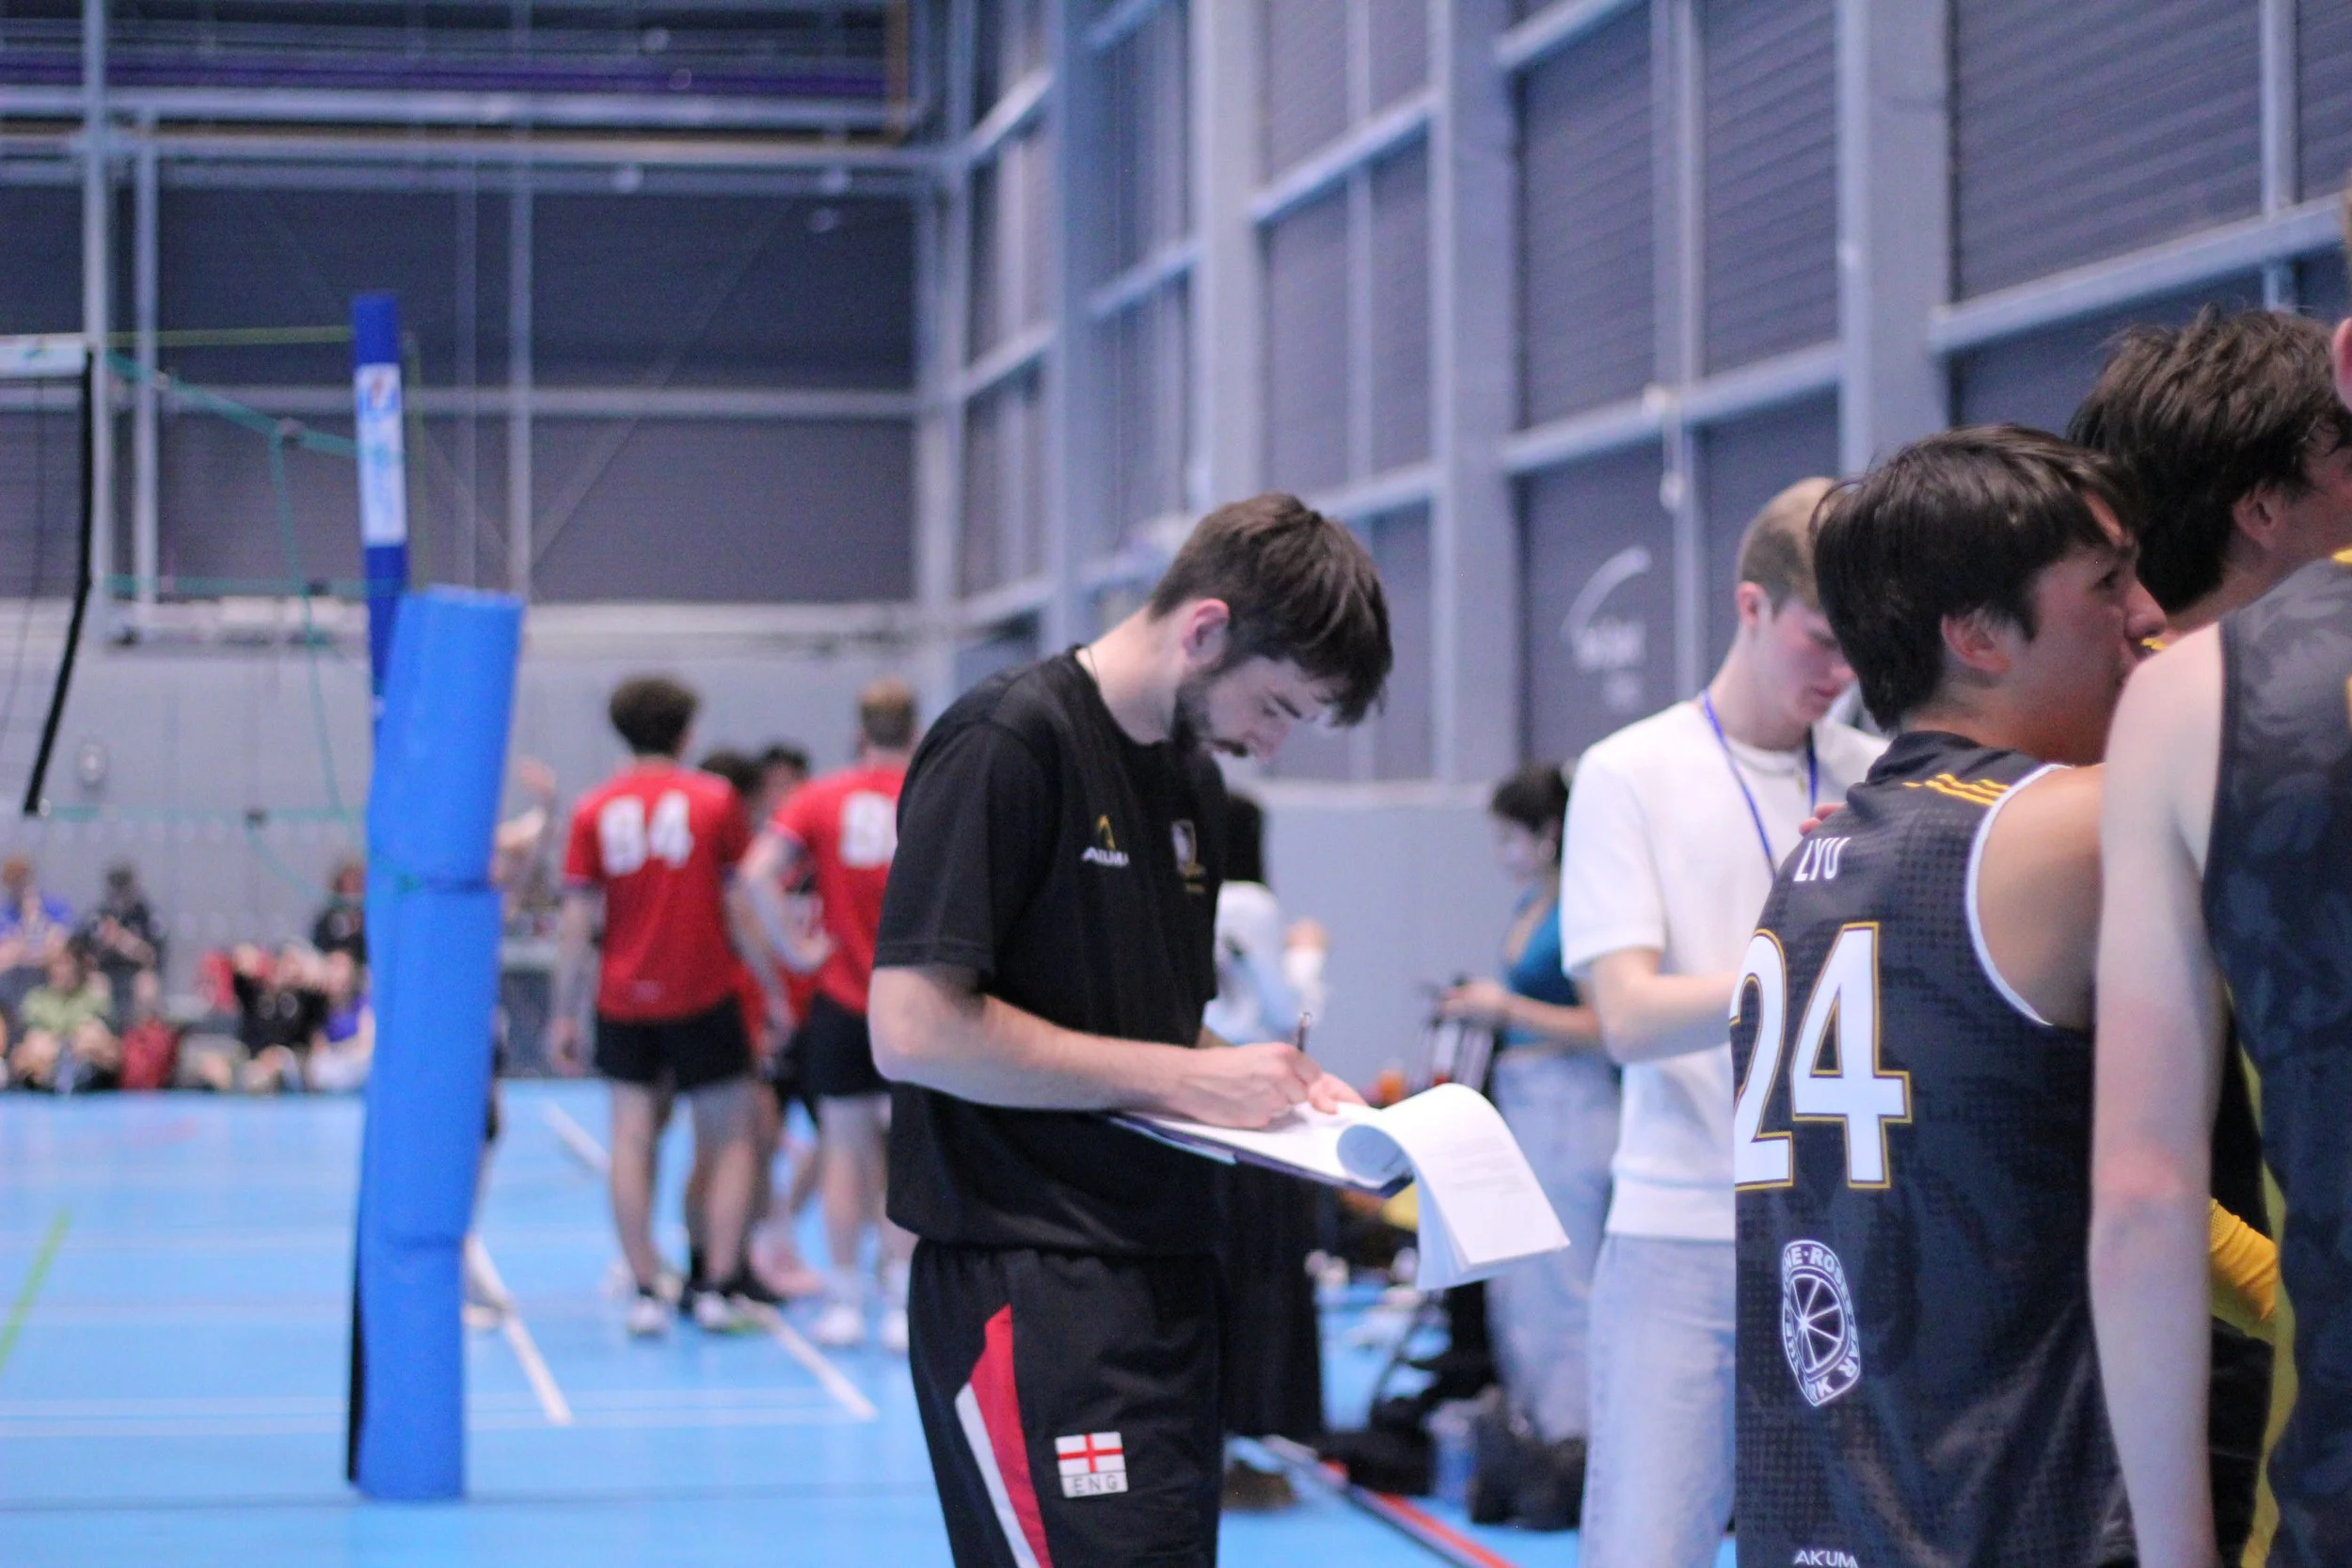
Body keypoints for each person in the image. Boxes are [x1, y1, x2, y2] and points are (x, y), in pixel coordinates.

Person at [867, 493, 1391, 1566]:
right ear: (1204, 630)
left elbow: (1154, 1033)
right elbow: (913, 1026)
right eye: (1279, 705)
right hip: (1030, 1281)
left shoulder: (1191, 779)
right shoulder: (1010, 739)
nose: (1275, 742)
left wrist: (1274, 1083)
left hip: (1161, 1274)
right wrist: (1185, 1074)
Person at [1730, 427, 2163, 1562]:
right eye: (2110, 584)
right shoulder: (2066, 826)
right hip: (2005, 1508)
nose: (2150, 618)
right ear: (1972, 633)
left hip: (1819, 1506)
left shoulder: (1815, 862)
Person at [1554, 477, 1883, 1567]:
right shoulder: (1629, 772)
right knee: (1647, 1546)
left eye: (1859, 648)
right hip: (1681, 1225)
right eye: (1821, 639)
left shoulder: (1876, 777)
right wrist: (1787, 942)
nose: (1839, 676)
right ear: (1751, 605)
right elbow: (1628, 1017)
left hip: (1850, 1226)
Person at [2070, 304, 2352, 1560]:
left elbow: (2139, 1186)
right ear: (2264, 499)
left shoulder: (2170, 725)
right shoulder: (2144, 741)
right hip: (2236, 1379)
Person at [551, 674, 772, 1338]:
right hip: (704, 992)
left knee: (631, 1136)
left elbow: (575, 921)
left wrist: (564, 1011)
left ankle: (646, 1289)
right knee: (731, 1139)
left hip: (623, 998)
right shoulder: (715, 800)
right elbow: (740, 908)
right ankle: (715, 1288)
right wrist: (778, 990)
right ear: (685, 733)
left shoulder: (593, 808)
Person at [1438, 761, 1611, 1522]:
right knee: (1519, 1289)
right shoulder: (1530, 902)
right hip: (1524, 1099)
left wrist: (1505, 1004)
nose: (1501, 850)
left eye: (1512, 835)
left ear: (1548, 834)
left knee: (1566, 1288)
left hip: (1577, 1104)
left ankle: (1576, 1446)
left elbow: (1607, 1030)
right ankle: (1534, 1431)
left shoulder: (1590, 910)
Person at [744, 679, 920, 1352]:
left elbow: (758, 872)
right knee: (906, 1153)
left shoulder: (821, 798)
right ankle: (903, 1298)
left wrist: (795, 947)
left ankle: (846, 1297)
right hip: (917, 1006)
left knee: (844, 1152)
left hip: (844, 998)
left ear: (859, 731)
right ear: (914, 729)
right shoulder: (933, 788)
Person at [1204, 793, 1330, 1513]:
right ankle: (1256, 1436)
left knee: (1215, 1278)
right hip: (1259, 1119)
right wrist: (1310, 956)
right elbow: (1289, 1015)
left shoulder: (1183, 896)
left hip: (1200, 1119)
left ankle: (1221, 1436)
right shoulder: (1249, 902)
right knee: (1267, 1280)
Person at [9, 940, 119, 1092]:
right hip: (45, 1065)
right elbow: (22, 1052)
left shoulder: (94, 996)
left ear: (77, 966)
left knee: (94, 1034)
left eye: (68, 964)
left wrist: (84, 1044)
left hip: (86, 1063)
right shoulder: (36, 999)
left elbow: (112, 1049)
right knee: (36, 1044)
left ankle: (76, 1077)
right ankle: (53, 1081)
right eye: (58, 964)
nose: (64, 970)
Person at [230, 942, 327, 1094]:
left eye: (292, 965)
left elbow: (319, 1001)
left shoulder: (303, 998)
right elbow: (240, 981)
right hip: (255, 1057)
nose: (286, 970)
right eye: (284, 964)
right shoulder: (257, 994)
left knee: (271, 1066)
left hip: (288, 1058)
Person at [78, 862, 163, 1028]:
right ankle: (104, 1033)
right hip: (106, 972)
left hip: (135, 972)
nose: (120, 892)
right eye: (116, 886)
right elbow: (83, 953)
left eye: (124, 886)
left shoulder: (146, 916)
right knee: (96, 987)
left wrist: (124, 942)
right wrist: (103, 944)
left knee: (147, 987)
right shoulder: (98, 915)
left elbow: (154, 956)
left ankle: (140, 1038)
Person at [312, 858, 366, 963]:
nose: (353, 888)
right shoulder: (327, 921)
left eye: (357, 882)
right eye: (349, 882)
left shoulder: (372, 922)